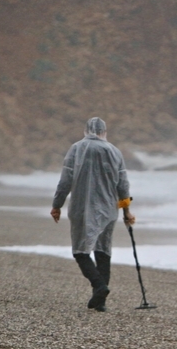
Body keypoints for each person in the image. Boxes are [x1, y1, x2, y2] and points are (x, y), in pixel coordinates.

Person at [50, 117, 135, 312]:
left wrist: (57, 205)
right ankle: (101, 303)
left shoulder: (76, 148)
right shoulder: (114, 151)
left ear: (86, 130)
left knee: (81, 251)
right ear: (104, 131)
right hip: (109, 210)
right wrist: (126, 211)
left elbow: (65, 181)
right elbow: (123, 186)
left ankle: (99, 286)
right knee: (103, 251)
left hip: (83, 208)